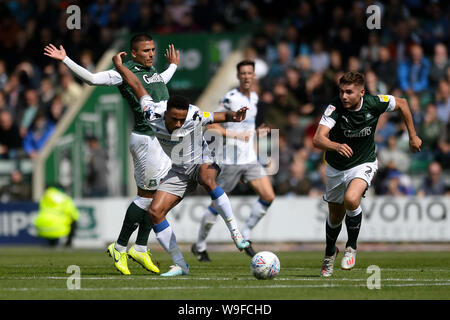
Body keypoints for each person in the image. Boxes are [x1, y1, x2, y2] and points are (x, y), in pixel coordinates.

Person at [44, 34, 179, 275]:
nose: (151, 54)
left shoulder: (153, 71)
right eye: (146, 51)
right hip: (145, 139)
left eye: (152, 50)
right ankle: (119, 247)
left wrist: (173, 66)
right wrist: (66, 60)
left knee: (157, 196)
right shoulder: (122, 72)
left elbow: (161, 81)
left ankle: (139, 247)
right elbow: (92, 79)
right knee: (147, 197)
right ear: (134, 53)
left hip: (158, 139)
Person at [113, 51, 250, 277]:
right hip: (179, 171)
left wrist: (234, 116)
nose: (178, 123)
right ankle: (180, 265)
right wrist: (120, 66)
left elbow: (217, 116)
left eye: (181, 119)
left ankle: (236, 234)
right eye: (174, 118)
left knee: (207, 178)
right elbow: (137, 84)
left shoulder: (193, 115)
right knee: (155, 212)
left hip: (203, 160)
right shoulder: (151, 112)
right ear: (164, 112)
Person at [313, 71, 422, 277]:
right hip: (336, 167)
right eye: (341, 91)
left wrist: (413, 135)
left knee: (351, 199)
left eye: (349, 92)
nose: (344, 96)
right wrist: (336, 146)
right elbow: (318, 139)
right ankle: (329, 253)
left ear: (361, 92)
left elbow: (403, 103)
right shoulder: (334, 107)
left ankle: (351, 247)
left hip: (364, 162)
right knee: (335, 217)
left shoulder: (374, 103)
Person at [191, 60, 275, 262]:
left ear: (254, 76)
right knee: (217, 205)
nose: (246, 76)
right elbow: (211, 126)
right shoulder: (229, 99)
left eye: (249, 73)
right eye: (243, 73)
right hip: (230, 160)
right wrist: (234, 136)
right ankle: (199, 245)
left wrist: (259, 140)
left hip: (250, 159)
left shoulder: (254, 98)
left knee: (268, 196)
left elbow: (248, 130)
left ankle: (245, 233)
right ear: (238, 76)